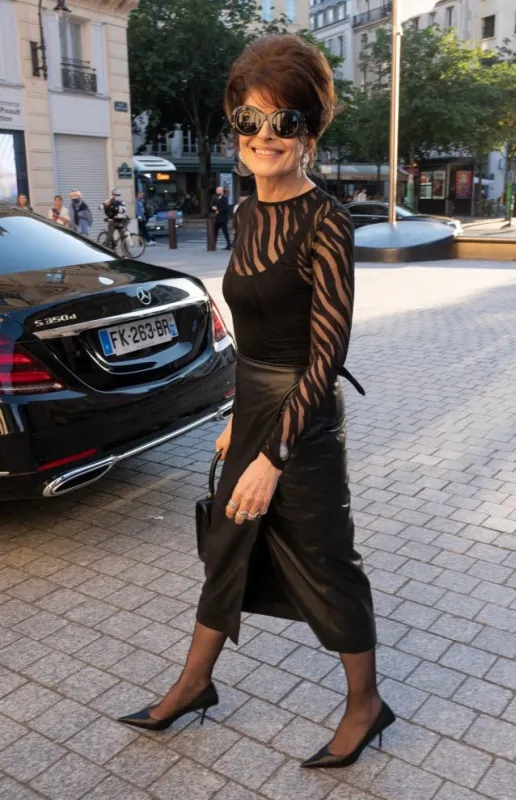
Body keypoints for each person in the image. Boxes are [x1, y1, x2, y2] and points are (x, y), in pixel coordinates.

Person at [119, 33, 394, 769]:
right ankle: (193, 684)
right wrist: (238, 423)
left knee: (328, 562)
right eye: (250, 119)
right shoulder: (243, 214)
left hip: (303, 427)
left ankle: (365, 704)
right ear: (234, 127)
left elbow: (324, 355)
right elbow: (252, 337)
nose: (265, 136)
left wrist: (273, 454)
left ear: (311, 132)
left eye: (287, 121)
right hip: (254, 411)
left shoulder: (328, 224)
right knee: (226, 548)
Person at [211, 186, 231, 250]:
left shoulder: (224, 198)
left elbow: (226, 208)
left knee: (225, 232)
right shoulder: (216, 198)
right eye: (216, 190)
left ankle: (228, 245)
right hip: (218, 218)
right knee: (215, 231)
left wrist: (218, 211)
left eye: (218, 190)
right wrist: (213, 207)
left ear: (221, 191)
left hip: (223, 218)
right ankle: (213, 244)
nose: (216, 191)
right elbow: (212, 204)